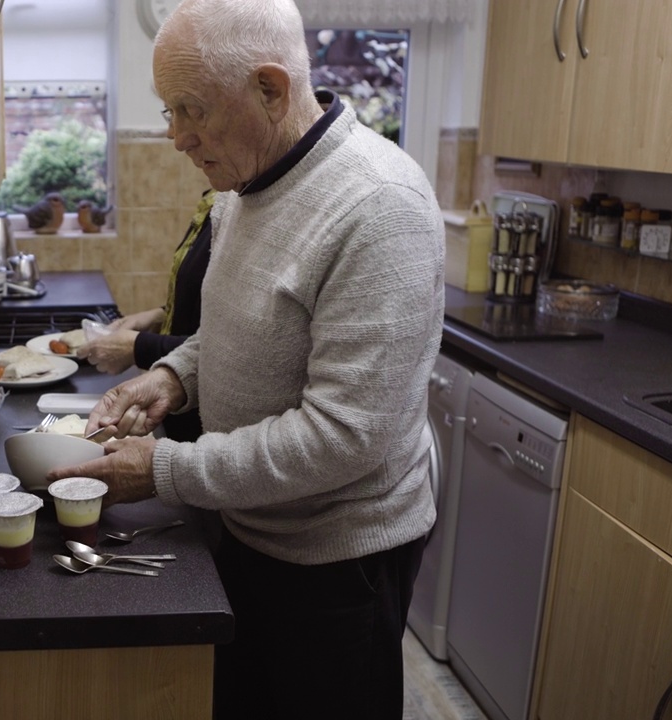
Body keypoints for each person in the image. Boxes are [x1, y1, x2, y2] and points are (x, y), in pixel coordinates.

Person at [47, 0, 445, 717]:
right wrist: (172, 376)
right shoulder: (246, 185)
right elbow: (239, 329)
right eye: (166, 111)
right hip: (250, 526)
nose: (175, 137)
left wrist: (165, 470)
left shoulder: (380, 207)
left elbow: (344, 437)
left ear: (270, 89)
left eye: (190, 110)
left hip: (338, 564)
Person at [77, 188, 214, 443]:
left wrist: (137, 346)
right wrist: (158, 316)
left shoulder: (238, 209)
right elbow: (209, 311)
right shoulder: (215, 203)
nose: (182, 146)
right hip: (180, 416)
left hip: (205, 430)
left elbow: (232, 347)